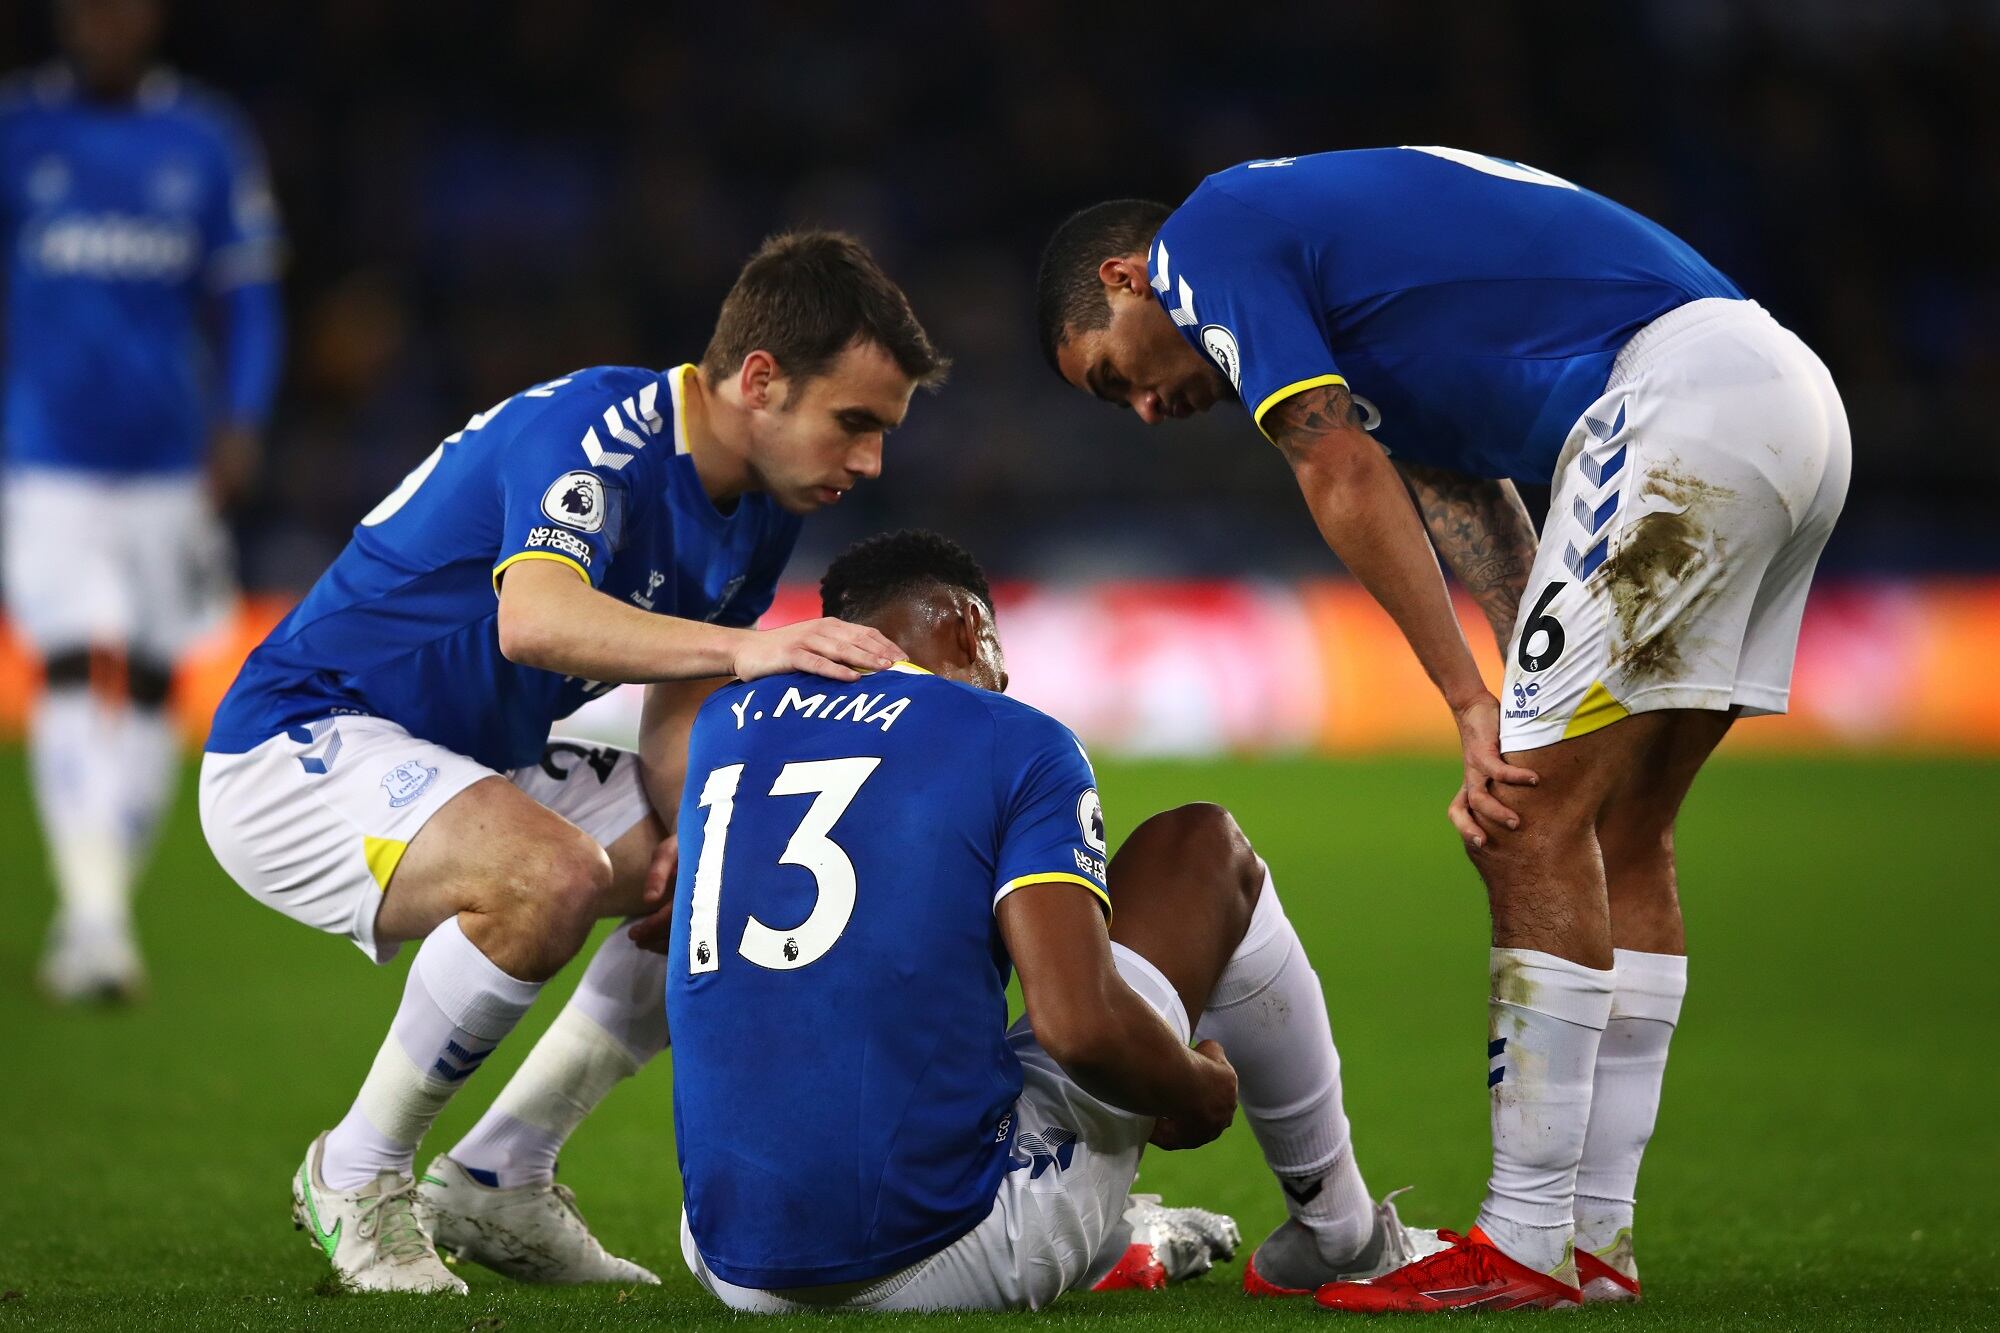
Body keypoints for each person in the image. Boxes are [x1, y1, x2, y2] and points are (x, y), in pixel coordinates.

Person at [1034, 147, 1850, 1310]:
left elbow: (1333, 464)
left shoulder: (1204, 239)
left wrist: (1473, 705)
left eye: (1114, 376)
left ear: (1126, 276)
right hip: (1780, 402)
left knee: (1522, 826)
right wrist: (1523, 696)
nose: (1146, 409)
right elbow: (1463, 495)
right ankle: (1593, 1240)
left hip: (1680, 409)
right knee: (1616, 829)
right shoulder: (1359, 312)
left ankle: (1522, 1240)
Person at [197, 231, 946, 1293]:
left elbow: (678, 713)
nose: (869, 463)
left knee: (740, 873)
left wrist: (701, 838)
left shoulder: (760, 508)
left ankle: (499, 1175)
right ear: (760, 380)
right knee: (546, 874)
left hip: (465, 757)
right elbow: (536, 621)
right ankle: (355, 1170)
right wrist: (751, 649)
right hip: (300, 741)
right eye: (854, 422)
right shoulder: (598, 433)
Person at [668, 529, 1444, 1313]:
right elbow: (1082, 1029)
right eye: (998, 654)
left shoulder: (724, 724)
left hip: (725, 1255)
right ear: (969, 626)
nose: (1003, 679)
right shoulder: (1008, 733)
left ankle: (1115, 1236)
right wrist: (1195, 1085)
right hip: (923, 1247)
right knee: (1203, 846)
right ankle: (1340, 1233)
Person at [1, 0, 282, 1001]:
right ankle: (98, 918)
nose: (106, 24)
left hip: (171, 459)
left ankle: (95, 909)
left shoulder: (204, 138)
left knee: (159, 676)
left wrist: (242, 417)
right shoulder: (18, 130)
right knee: (73, 660)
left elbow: (250, 296)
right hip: (46, 457)